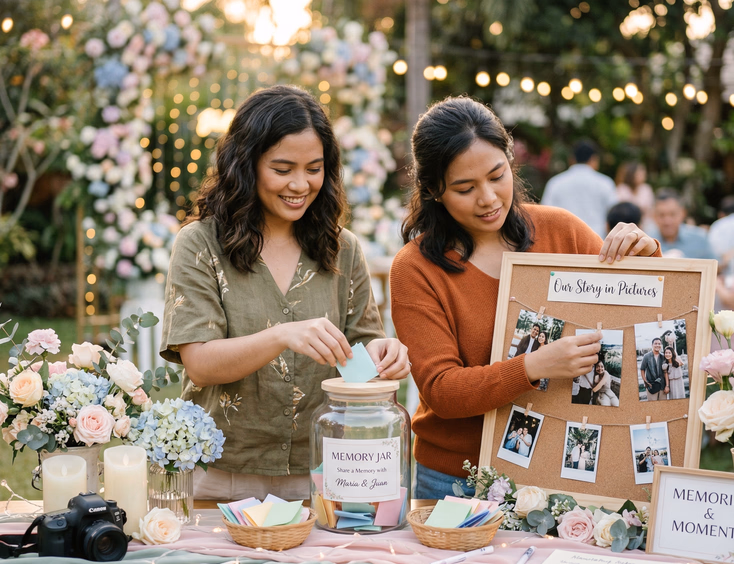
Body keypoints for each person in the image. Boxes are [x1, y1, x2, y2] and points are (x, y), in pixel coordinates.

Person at [389, 96, 661, 499]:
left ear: (511, 162)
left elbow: (644, 310)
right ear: (433, 190)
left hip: (563, 469)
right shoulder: (415, 269)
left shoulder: (561, 231)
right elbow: (442, 390)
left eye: (497, 176)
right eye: (465, 188)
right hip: (455, 479)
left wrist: (645, 254)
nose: (488, 198)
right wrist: (534, 365)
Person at [160, 85, 410, 501]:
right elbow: (200, 364)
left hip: (323, 471)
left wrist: (385, 354)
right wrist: (282, 335)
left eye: (314, 168)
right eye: (282, 168)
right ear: (246, 164)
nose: (300, 184)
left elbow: (361, 353)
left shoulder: (343, 249)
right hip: (220, 469)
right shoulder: (199, 244)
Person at [540, 139, 618, 237]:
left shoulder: (556, 182)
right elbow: (615, 215)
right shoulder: (605, 183)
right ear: (594, 159)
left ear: (571, 159)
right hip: (597, 241)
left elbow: (545, 215)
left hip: (564, 242)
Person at [648, 189, 717, 259]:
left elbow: (716, 266)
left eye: (672, 214)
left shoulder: (700, 238)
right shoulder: (647, 242)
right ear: (653, 216)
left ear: (683, 213)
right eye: (661, 215)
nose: (667, 221)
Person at [615, 161, 654, 229]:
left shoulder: (646, 189)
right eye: (640, 173)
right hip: (626, 224)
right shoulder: (622, 189)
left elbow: (650, 211)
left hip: (645, 225)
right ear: (632, 174)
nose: (643, 175)